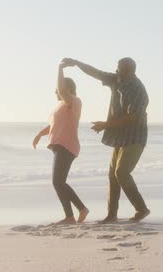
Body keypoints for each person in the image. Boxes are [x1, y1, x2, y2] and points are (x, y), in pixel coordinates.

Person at [62, 57, 150, 224]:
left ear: (130, 71)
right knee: (112, 175)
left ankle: (141, 208)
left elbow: (131, 118)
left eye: (120, 69)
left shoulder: (139, 91)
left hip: (135, 136)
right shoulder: (116, 79)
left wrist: (106, 125)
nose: (117, 72)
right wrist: (77, 63)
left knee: (121, 172)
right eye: (116, 69)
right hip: (120, 136)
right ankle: (111, 215)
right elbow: (96, 73)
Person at [32, 62, 89, 225]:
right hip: (60, 147)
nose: (56, 91)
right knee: (59, 182)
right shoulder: (61, 106)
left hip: (67, 146)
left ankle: (75, 213)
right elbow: (53, 126)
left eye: (58, 89)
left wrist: (60, 69)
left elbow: (63, 90)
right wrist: (39, 135)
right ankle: (76, 213)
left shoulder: (74, 101)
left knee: (57, 182)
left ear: (67, 89)